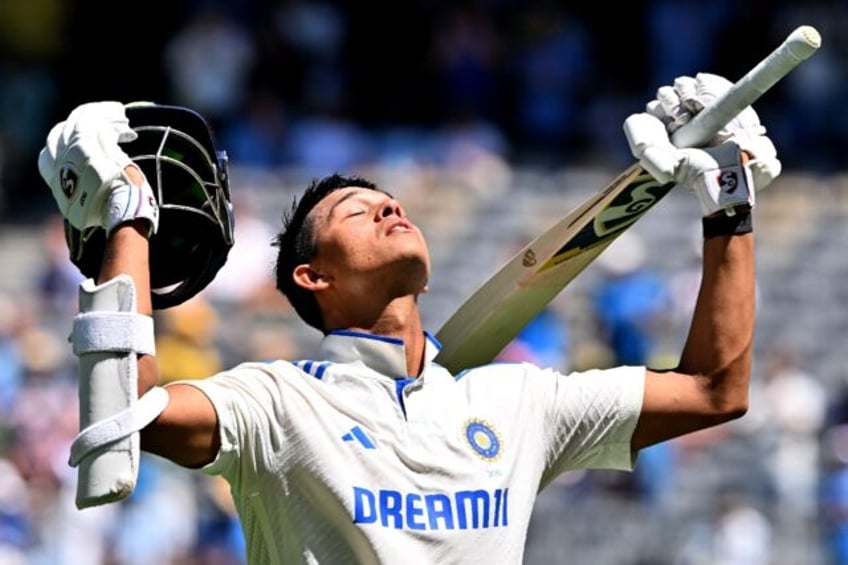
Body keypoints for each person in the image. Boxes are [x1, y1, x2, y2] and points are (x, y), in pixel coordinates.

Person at [36, 70, 781, 564]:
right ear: (312, 276)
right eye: (356, 210)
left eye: (390, 200)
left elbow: (716, 387)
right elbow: (124, 421)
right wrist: (127, 216)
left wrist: (728, 203)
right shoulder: (279, 403)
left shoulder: (521, 401)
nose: (389, 204)